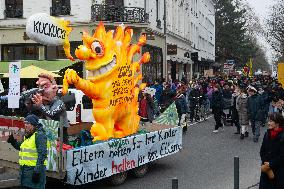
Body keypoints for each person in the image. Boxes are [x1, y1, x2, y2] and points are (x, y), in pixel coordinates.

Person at [7, 114, 48, 189]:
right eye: (25, 123)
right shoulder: (27, 135)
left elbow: (42, 154)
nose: (25, 125)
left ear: (34, 125)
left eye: (28, 123)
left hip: (34, 171)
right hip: (25, 170)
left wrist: (37, 171)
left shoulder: (39, 135)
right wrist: (13, 142)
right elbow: (22, 148)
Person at [31, 73, 69, 143]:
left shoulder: (59, 103)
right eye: (39, 87)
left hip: (60, 131)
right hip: (48, 130)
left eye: (45, 87)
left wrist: (40, 105)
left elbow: (51, 113)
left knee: (61, 149)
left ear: (54, 88)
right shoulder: (45, 103)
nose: (41, 91)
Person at [259, 113, 284, 189]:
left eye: (271, 121)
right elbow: (262, 151)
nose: (268, 123)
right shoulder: (267, 134)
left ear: (277, 123)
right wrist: (266, 164)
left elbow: (282, 156)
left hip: (279, 172)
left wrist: (271, 164)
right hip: (266, 170)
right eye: (268, 121)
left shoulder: (282, 136)